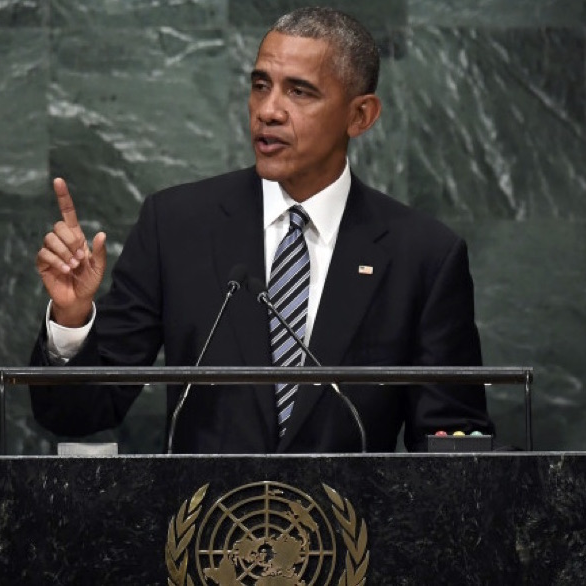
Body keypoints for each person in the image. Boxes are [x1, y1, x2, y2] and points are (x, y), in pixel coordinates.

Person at [30, 6, 494, 453]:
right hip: (203, 528)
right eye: (260, 85)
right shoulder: (176, 226)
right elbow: (79, 414)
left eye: (300, 92)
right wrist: (71, 320)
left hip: (350, 530)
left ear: (361, 116)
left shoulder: (424, 255)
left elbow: (450, 447)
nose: (268, 111)